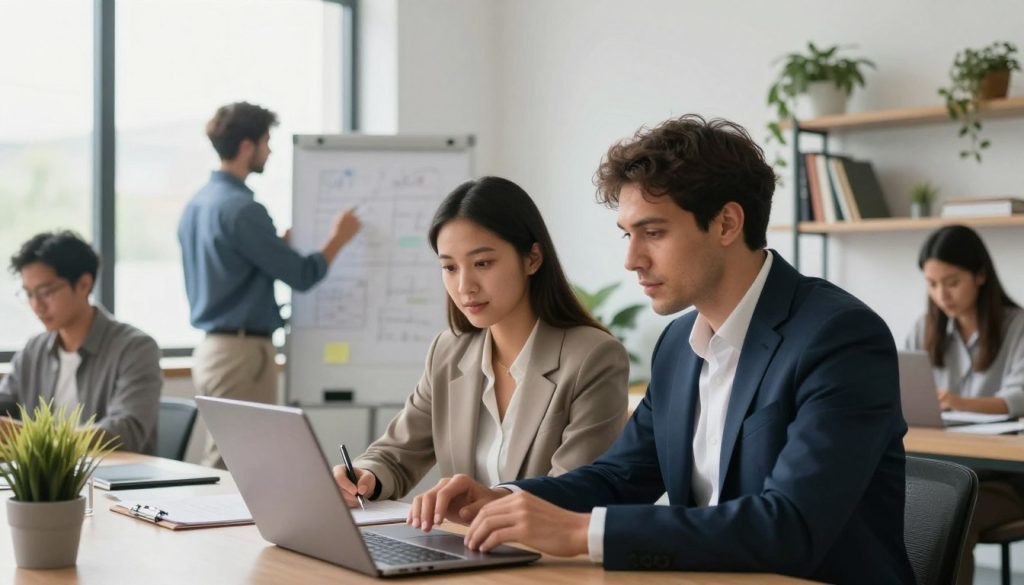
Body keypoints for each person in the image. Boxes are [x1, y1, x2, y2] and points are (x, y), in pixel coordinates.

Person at [405, 116, 915, 584]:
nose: (631, 259)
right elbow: (622, 475)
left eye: (653, 232)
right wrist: (508, 500)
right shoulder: (679, 344)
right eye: (627, 234)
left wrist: (583, 534)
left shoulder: (839, 336)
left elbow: (789, 527)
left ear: (726, 224)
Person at [332, 176, 629, 505]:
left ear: (532, 258)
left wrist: (489, 503)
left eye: (482, 263)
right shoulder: (449, 350)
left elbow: (575, 491)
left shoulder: (593, 357)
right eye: (449, 267)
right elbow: (397, 453)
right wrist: (366, 475)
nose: (464, 286)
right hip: (464, 548)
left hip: (542, 552)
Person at [178, 102, 361, 468]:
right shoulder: (243, 209)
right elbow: (303, 275)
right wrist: (339, 238)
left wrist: (274, 246)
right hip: (242, 355)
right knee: (242, 461)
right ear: (247, 146)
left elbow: (230, 267)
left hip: (214, 350)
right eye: (266, 141)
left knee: (227, 456)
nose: (270, 150)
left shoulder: (198, 204)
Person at [906, 224, 1024, 585]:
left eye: (952, 282)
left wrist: (957, 402)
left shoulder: (1017, 325)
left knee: (951, 516)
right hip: (945, 466)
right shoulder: (926, 327)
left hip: (1006, 479)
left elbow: (1017, 399)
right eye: (932, 283)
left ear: (981, 274)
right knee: (888, 503)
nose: (942, 294)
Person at [0, 231, 162, 453]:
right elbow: (5, 405)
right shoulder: (33, 350)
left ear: (84, 284)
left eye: (46, 292)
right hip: (41, 484)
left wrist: (35, 438)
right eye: (29, 294)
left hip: (113, 482)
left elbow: (126, 432)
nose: (36, 306)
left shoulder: (136, 348)